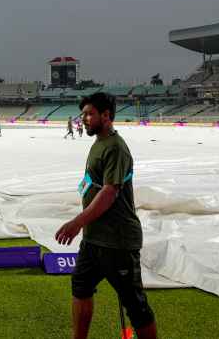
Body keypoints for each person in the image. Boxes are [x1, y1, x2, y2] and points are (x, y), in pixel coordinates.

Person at [54, 92, 157, 339]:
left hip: (117, 240)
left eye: (90, 114)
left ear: (106, 115)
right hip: (94, 238)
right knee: (80, 286)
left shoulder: (116, 148)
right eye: (83, 114)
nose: (85, 119)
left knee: (135, 305)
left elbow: (110, 192)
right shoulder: (99, 142)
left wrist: (77, 222)